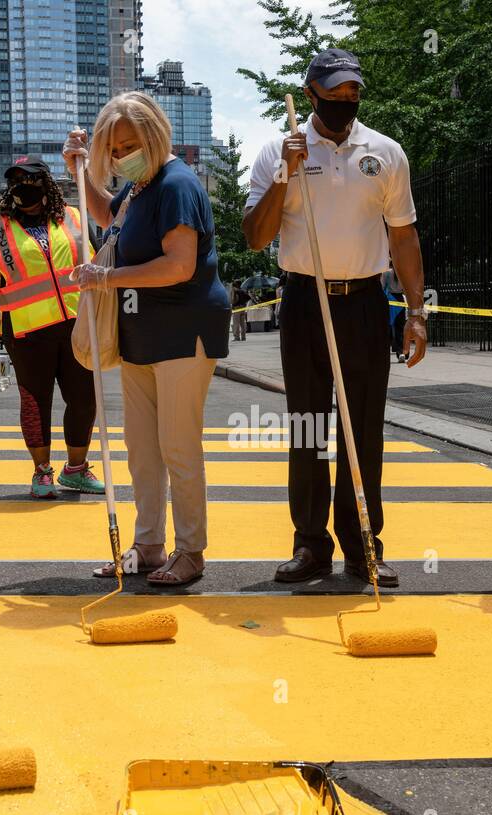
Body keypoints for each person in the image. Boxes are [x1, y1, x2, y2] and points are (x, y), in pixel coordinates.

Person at [244, 48, 427, 588]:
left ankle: (364, 545)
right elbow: (255, 237)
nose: (345, 100)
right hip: (304, 301)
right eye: (335, 91)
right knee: (307, 426)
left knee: (363, 430)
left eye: (353, 91)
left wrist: (415, 312)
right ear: (310, 94)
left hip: (366, 303)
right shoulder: (278, 151)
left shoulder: (385, 152)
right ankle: (310, 545)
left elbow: (403, 235)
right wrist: (286, 174)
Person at [64, 91, 229, 586]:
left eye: (129, 146)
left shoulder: (176, 184)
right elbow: (104, 217)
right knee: (143, 449)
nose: (120, 157)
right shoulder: (139, 189)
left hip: (183, 331)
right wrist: (79, 170)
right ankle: (149, 544)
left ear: (155, 137)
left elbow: (179, 265)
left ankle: (192, 550)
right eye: (112, 150)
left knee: (178, 446)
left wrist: (104, 279)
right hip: (141, 335)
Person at [0, 158, 103, 498]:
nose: (23, 184)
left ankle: (76, 469)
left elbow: (97, 255)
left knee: (83, 399)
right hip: (27, 331)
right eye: (16, 179)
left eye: (30, 178)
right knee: (36, 404)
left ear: (45, 182)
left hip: (78, 324)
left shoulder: (74, 216)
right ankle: (42, 471)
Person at [382, 260, 406, 362]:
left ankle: (385, 351)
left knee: (388, 326)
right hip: (400, 300)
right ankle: (401, 352)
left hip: (390, 300)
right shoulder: (403, 272)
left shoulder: (386, 273)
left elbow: (382, 286)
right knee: (400, 327)